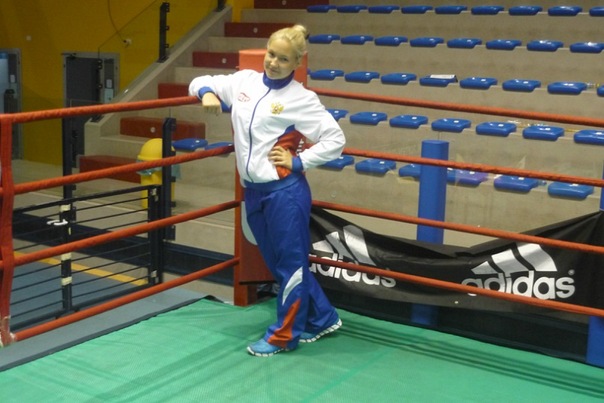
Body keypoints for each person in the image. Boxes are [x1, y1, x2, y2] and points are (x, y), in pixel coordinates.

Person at [189, 24, 346, 357]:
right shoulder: (244, 82)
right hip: (254, 191)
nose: (274, 63)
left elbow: (335, 140)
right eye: (271, 54)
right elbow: (201, 80)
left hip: (285, 194)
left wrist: (299, 161)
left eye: (283, 59)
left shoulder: (301, 99)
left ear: (296, 63)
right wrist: (207, 93)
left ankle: (283, 336)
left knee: (290, 265)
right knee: (278, 262)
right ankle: (322, 316)